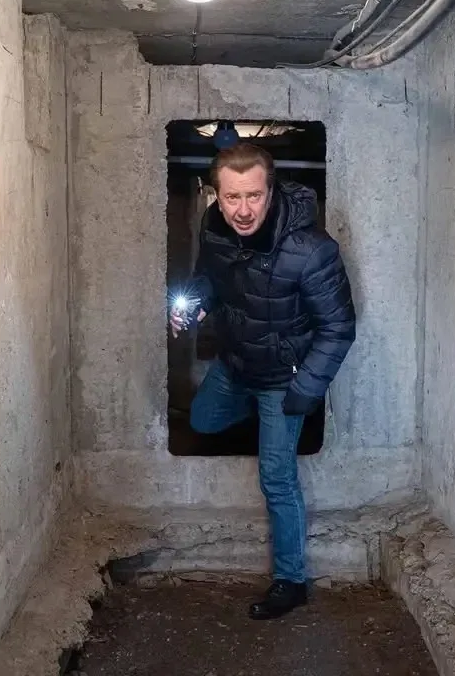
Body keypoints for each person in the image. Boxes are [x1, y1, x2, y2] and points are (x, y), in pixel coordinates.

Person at [169, 143, 356, 620]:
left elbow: (339, 327)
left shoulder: (311, 250)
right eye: (232, 197)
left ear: (271, 192)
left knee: (276, 477)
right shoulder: (214, 227)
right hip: (237, 364)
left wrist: (304, 392)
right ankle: (266, 420)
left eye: (254, 196)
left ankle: (291, 582)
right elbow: (209, 278)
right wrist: (196, 305)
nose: (243, 210)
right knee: (203, 420)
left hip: (282, 380)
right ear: (217, 195)